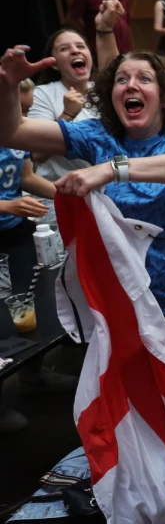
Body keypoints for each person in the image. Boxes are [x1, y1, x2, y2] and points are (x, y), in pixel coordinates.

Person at [0, 32, 165, 354]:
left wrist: (112, 169)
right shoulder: (98, 135)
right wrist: (8, 87)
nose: (130, 85)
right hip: (135, 302)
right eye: (121, 79)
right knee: (155, 402)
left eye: (144, 78)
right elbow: (14, 133)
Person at [0, 133, 66, 433]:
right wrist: (7, 206)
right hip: (9, 216)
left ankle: (32, 377)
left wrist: (66, 192)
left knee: (32, 302)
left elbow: (26, 176)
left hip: (16, 233)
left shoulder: (12, 129)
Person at [28, 28, 96, 181]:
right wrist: (68, 115)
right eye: (64, 49)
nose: (75, 51)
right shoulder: (42, 94)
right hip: (61, 190)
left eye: (80, 46)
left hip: (109, 187)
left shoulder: (104, 91)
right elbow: (38, 154)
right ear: (54, 64)